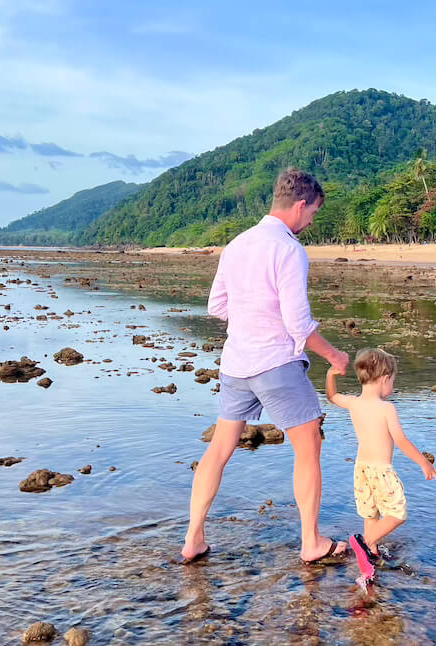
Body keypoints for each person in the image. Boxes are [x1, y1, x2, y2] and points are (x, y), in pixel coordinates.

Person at [181, 168, 351, 565]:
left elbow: (216, 306)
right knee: (309, 447)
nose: (312, 222)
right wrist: (335, 356)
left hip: (236, 363)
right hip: (276, 363)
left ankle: (193, 538)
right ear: (301, 204)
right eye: (314, 213)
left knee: (218, 450)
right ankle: (311, 542)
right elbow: (298, 324)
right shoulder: (289, 249)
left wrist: (251, 320)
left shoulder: (237, 244)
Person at [325, 348, 436, 583]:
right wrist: (424, 462)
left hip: (361, 468)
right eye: (393, 382)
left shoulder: (354, 403)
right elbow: (401, 440)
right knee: (398, 513)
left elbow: (332, 396)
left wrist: (330, 375)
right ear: (385, 378)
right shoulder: (387, 409)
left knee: (371, 513)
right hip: (381, 469)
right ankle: (365, 543)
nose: (393, 388)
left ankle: (371, 554)